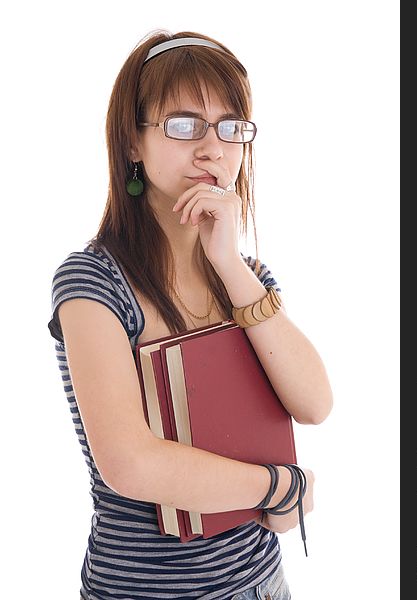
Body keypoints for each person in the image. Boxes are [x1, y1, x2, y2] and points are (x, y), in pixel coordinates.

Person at [48, 29, 333, 600]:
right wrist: (278, 487)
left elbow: (315, 403)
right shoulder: (93, 282)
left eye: (231, 128)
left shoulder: (244, 275)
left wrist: (229, 264)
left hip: (262, 582)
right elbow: (129, 463)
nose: (212, 149)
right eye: (183, 125)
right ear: (133, 141)